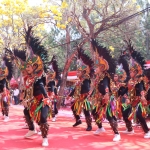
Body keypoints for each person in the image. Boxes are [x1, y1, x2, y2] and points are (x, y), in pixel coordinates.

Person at [90, 39, 120, 142]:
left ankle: (117, 134)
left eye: (97, 67)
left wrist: (107, 94)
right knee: (94, 111)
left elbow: (106, 85)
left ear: (102, 67)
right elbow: (97, 88)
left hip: (108, 98)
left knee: (109, 115)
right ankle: (100, 127)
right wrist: (91, 94)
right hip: (100, 99)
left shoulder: (106, 77)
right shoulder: (98, 78)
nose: (95, 69)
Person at [123, 41, 150, 138]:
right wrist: (125, 96)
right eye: (129, 71)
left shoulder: (140, 79)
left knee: (139, 114)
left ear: (135, 71)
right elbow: (127, 89)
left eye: (131, 71)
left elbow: (142, 88)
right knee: (125, 112)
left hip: (140, 100)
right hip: (131, 101)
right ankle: (130, 129)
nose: (130, 73)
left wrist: (142, 96)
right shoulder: (130, 80)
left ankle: (147, 131)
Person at [67, 49, 94, 131]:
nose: (77, 73)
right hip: (79, 97)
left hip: (85, 97)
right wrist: (69, 95)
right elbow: (75, 89)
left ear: (83, 72)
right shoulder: (80, 80)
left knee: (86, 111)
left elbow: (86, 88)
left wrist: (86, 96)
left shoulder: (86, 79)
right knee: (73, 107)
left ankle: (89, 125)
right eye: (77, 72)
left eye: (78, 72)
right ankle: (78, 120)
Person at [46, 56, 61, 122]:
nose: (47, 75)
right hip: (49, 94)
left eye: (48, 74)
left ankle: (54, 116)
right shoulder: (48, 81)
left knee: (52, 105)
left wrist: (52, 94)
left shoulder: (52, 81)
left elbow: (52, 88)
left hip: (52, 94)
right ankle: (55, 113)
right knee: (52, 105)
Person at [0, 51, 13, 122]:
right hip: (1, 92)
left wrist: (4, 92)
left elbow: (5, 86)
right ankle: (3, 114)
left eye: (1, 71)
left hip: (5, 92)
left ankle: (7, 116)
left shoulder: (4, 79)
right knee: (1, 104)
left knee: (4, 102)